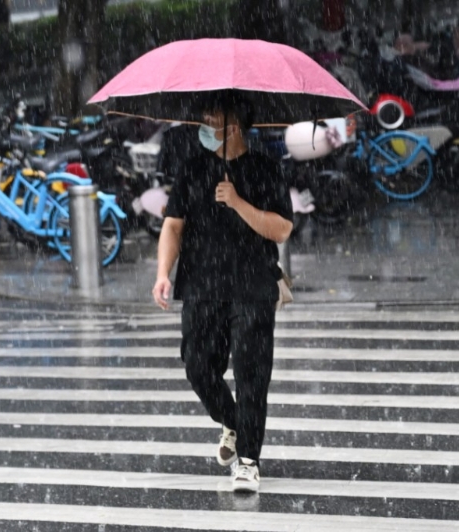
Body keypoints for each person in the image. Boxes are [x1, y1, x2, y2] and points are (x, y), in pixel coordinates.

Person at [151, 95, 293, 493]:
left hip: (253, 285)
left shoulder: (266, 170)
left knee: (251, 374)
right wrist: (163, 272)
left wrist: (237, 202)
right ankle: (233, 421)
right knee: (198, 366)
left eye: (212, 117)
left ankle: (248, 459)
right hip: (201, 285)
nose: (205, 123)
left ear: (234, 126)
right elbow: (173, 226)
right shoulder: (193, 169)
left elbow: (281, 230)